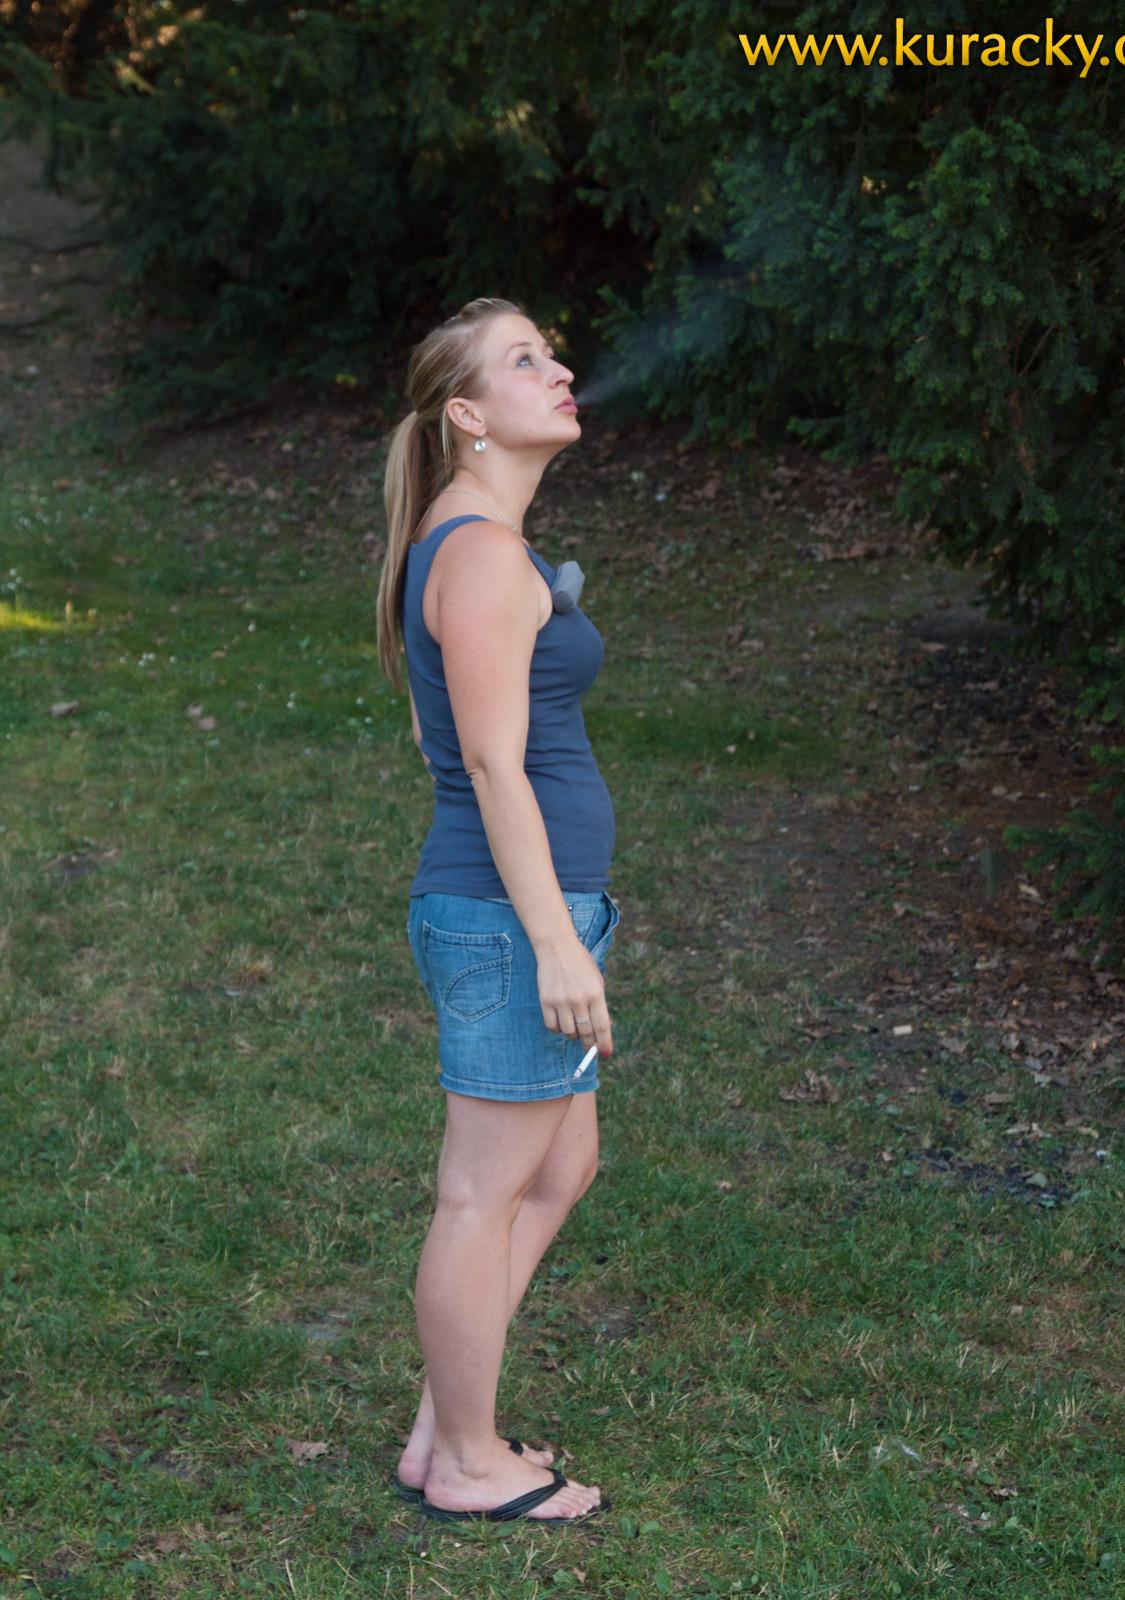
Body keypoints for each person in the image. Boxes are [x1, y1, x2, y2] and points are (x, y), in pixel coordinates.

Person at [375, 297, 620, 1528]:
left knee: (562, 1162)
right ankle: (469, 1462)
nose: (558, 369)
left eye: (553, 351)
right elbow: (483, 762)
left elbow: (448, 727)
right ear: (467, 413)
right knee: (482, 1194)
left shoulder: (481, 542)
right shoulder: (474, 550)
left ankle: (444, 1425)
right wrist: (557, 944)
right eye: (526, 359)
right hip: (507, 918)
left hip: (522, 906)